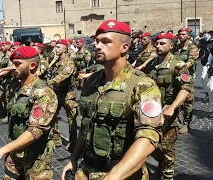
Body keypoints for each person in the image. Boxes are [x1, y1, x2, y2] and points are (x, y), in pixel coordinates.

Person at [62, 20, 163, 180]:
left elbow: (148, 137)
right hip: (87, 169)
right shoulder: (92, 81)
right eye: (96, 41)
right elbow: (87, 124)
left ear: (124, 47)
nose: (97, 46)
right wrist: (74, 159)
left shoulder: (143, 85)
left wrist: (113, 177)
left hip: (122, 173)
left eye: (105, 41)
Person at [0, 46, 58, 180]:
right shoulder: (21, 89)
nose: (13, 67)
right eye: (13, 64)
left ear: (32, 66)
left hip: (36, 158)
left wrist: (2, 150)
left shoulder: (42, 92)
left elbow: (36, 130)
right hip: (16, 153)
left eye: (18, 64)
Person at [143, 33, 192, 179]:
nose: (158, 46)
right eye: (157, 43)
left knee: (167, 148)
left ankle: (168, 176)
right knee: (149, 145)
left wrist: (173, 107)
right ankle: (161, 162)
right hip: (151, 113)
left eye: (162, 43)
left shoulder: (178, 65)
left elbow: (185, 88)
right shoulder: (152, 64)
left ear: (171, 46)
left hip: (168, 115)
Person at [47, 39, 78, 152]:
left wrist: (49, 83)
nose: (56, 49)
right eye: (55, 47)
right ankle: (57, 138)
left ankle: (73, 143)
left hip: (68, 95)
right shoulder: (56, 62)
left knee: (72, 119)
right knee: (53, 115)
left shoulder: (69, 63)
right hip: (57, 93)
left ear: (65, 49)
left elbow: (62, 75)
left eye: (58, 47)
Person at [173, 27, 198, 134]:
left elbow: (191, 61)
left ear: (188, 35)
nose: (180, 36)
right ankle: (176, 121)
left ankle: (186, 123)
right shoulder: (176, 48)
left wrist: (182, 67)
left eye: (183, 34)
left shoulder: (193, 48)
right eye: (179, 34)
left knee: (187, 102)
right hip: (175, 78)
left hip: (187, 78)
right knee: (175, 98)